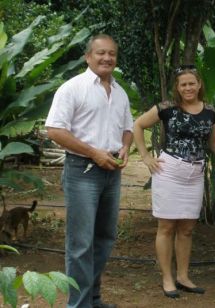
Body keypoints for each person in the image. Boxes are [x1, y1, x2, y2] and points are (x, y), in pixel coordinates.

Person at [46, 34, 134, 308]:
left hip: (111, 172)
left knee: (104, 238)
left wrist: (125, 148)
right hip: (82, 170)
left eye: (112, 54)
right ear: (88, 56)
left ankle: (93, 299)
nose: (107, 58)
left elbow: (128, 128)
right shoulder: (73, 88)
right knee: (81, 243)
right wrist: (93, 152)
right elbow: (55, 130)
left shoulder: (119, 92)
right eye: (100, 53)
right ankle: (79, 304)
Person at [133, 65, 215, 299]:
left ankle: (183, 276)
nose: (188, 88)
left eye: (192, 83)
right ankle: (167, 278)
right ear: (178, 88)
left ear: (199, 84)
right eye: (184, 84)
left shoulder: (210, 112)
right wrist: (145, 156)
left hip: (195, 173)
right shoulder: (167, 108)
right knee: (167, 226)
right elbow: (138, 125)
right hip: (169, 171)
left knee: (188, 229)